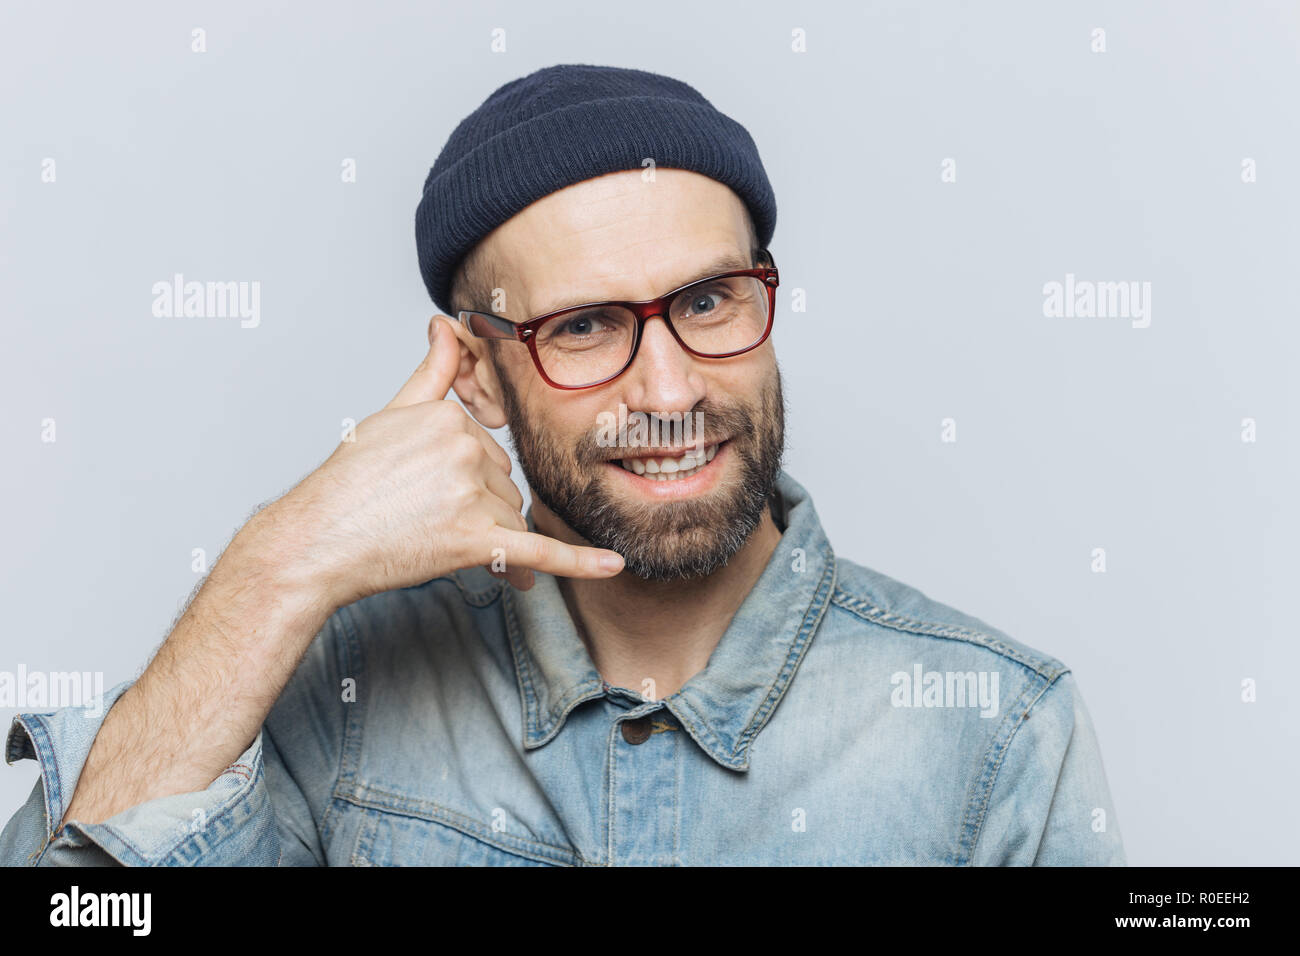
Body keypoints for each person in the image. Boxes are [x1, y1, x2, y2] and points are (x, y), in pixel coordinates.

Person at [1, 63, 1124, 866]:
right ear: (479, 375)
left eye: (707, 300)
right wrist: (280, 561)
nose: (672, 388)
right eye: (585, 326)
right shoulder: (333, 694)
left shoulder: (994, 726)